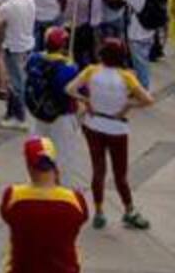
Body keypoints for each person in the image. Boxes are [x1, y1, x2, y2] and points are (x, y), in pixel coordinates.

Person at [0, 136, 88, 273]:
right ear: (55, 165)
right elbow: (82, 218)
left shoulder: (14, 196)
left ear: (28, 166)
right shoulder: (74, 200)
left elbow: (6, 214)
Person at [65, 37, 154, 231]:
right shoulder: (126, 76)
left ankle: (99, 212)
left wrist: (86, 100)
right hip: (117, 127)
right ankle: (129, 210)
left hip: (93, 124)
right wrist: (128, 104)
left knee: (98, 170)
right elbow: (148, 100)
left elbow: (69, 89)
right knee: (120, 174)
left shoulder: (91, 71)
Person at [25, 27, 80, 172]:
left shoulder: (33, 59)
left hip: (38, 112)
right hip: (62, 116)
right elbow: (79, 90)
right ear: (63, 45)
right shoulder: (69, 68)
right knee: (63, 158)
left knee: (39, 153)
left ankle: (39, 180)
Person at [0, 0, 35, 131]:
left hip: (13, 47)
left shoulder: (6, 6)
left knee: (16, 83)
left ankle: (19, 117)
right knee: (17, 80)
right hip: (27, 45)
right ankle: (11, 113)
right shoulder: (30, 1)